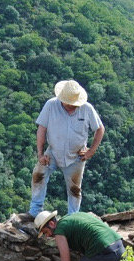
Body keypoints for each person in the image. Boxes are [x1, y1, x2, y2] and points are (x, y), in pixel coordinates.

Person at [30, 79, 105, 217]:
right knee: (38, 176)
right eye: (69, 103)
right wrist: (40, 154)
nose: (72, 105)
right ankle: (35, 211)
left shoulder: (87, 108)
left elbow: (100, 129)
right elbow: (42, 129)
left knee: (75, 189)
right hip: (52, 151)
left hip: (76, 156)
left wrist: (91, 151)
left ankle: (73, 217)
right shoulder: (51, 105)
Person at [34, 210, 124, 261]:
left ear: (52, 224)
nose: (47, 236)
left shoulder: (59, 231)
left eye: (46, 232)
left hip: (105, 252)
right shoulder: (75, 216)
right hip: (120, 247)